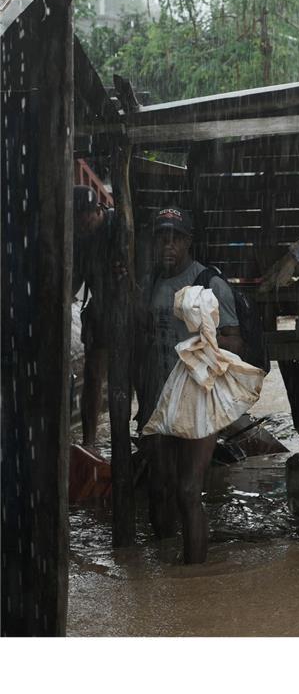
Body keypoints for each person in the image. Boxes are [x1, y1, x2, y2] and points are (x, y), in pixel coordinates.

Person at [136, 207, 244, 563]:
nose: (168, 245)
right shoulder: (149, 281)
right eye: (162, 237)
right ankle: (166, 570)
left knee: (187, 490)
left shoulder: (209, 284)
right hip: (157, 400)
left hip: (197, 400)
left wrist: (199, 343)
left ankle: (194, 580)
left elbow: (234, 343)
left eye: (175, 238)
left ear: (188, 243)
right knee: (159, 487)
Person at [72, 185, 121, 448]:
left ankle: (133, 437)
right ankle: (89, 442)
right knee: (92, 375)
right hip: (100, 308)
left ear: (98, 210)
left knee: (127, 376)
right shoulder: (79, 238)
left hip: (128, 306)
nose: (84, 226)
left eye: (87, 220)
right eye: (79, 223)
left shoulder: (119, 225)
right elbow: (75, 278)